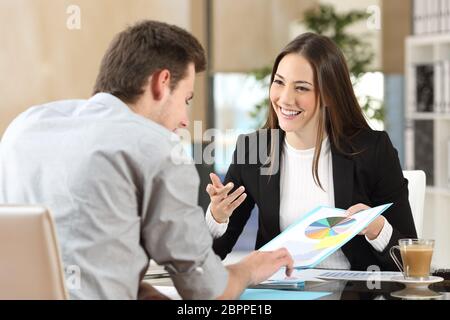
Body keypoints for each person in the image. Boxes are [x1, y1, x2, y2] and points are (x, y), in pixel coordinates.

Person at [0, 20, 293, 300]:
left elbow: (70, 252)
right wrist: (251, 268)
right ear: (161, 83)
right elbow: (209, 290)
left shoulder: (25, 126)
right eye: (187, 99)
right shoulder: (157, 147)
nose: (184, 120)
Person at [205, 32, 417, 271]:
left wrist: (377, 228)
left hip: (351, 294)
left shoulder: (371, 150)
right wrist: (217, 217)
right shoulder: (252, 150)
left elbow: (409, 259)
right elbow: (211, 255)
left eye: (302, 88)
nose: (285, 98)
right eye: (279, 82)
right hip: (278, 292)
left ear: (329, 95)